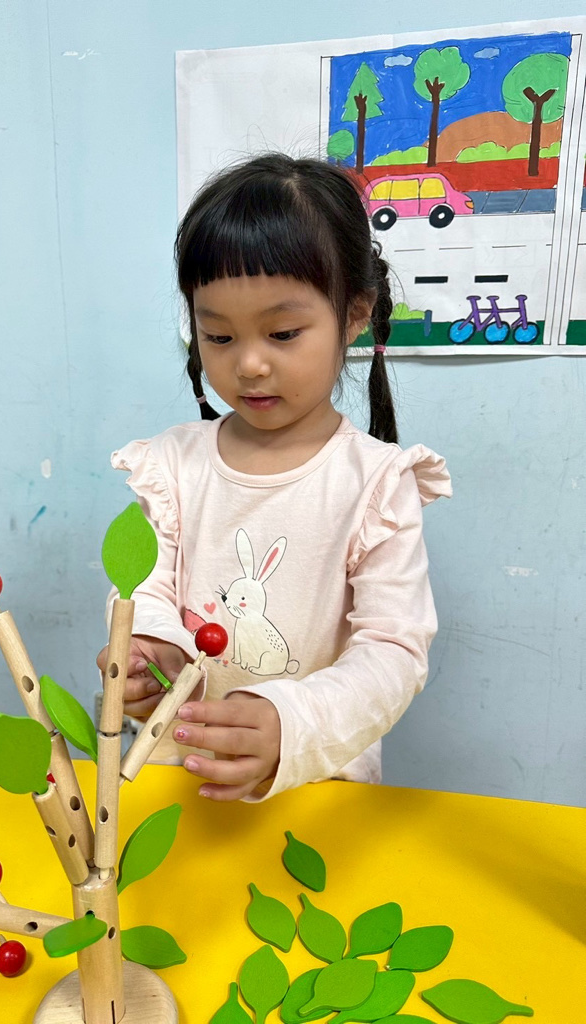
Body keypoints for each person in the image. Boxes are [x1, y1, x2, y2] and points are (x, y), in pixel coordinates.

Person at [97, 153, 451, 802]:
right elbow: (144, 586)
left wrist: (290, 723)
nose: (250, 365)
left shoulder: (376, 484)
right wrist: (151, 646)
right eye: (219, 337)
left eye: (283, 333)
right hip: (176, 783)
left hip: (319, 788)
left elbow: (394, 652)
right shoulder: (170, 466)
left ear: (354, 314)